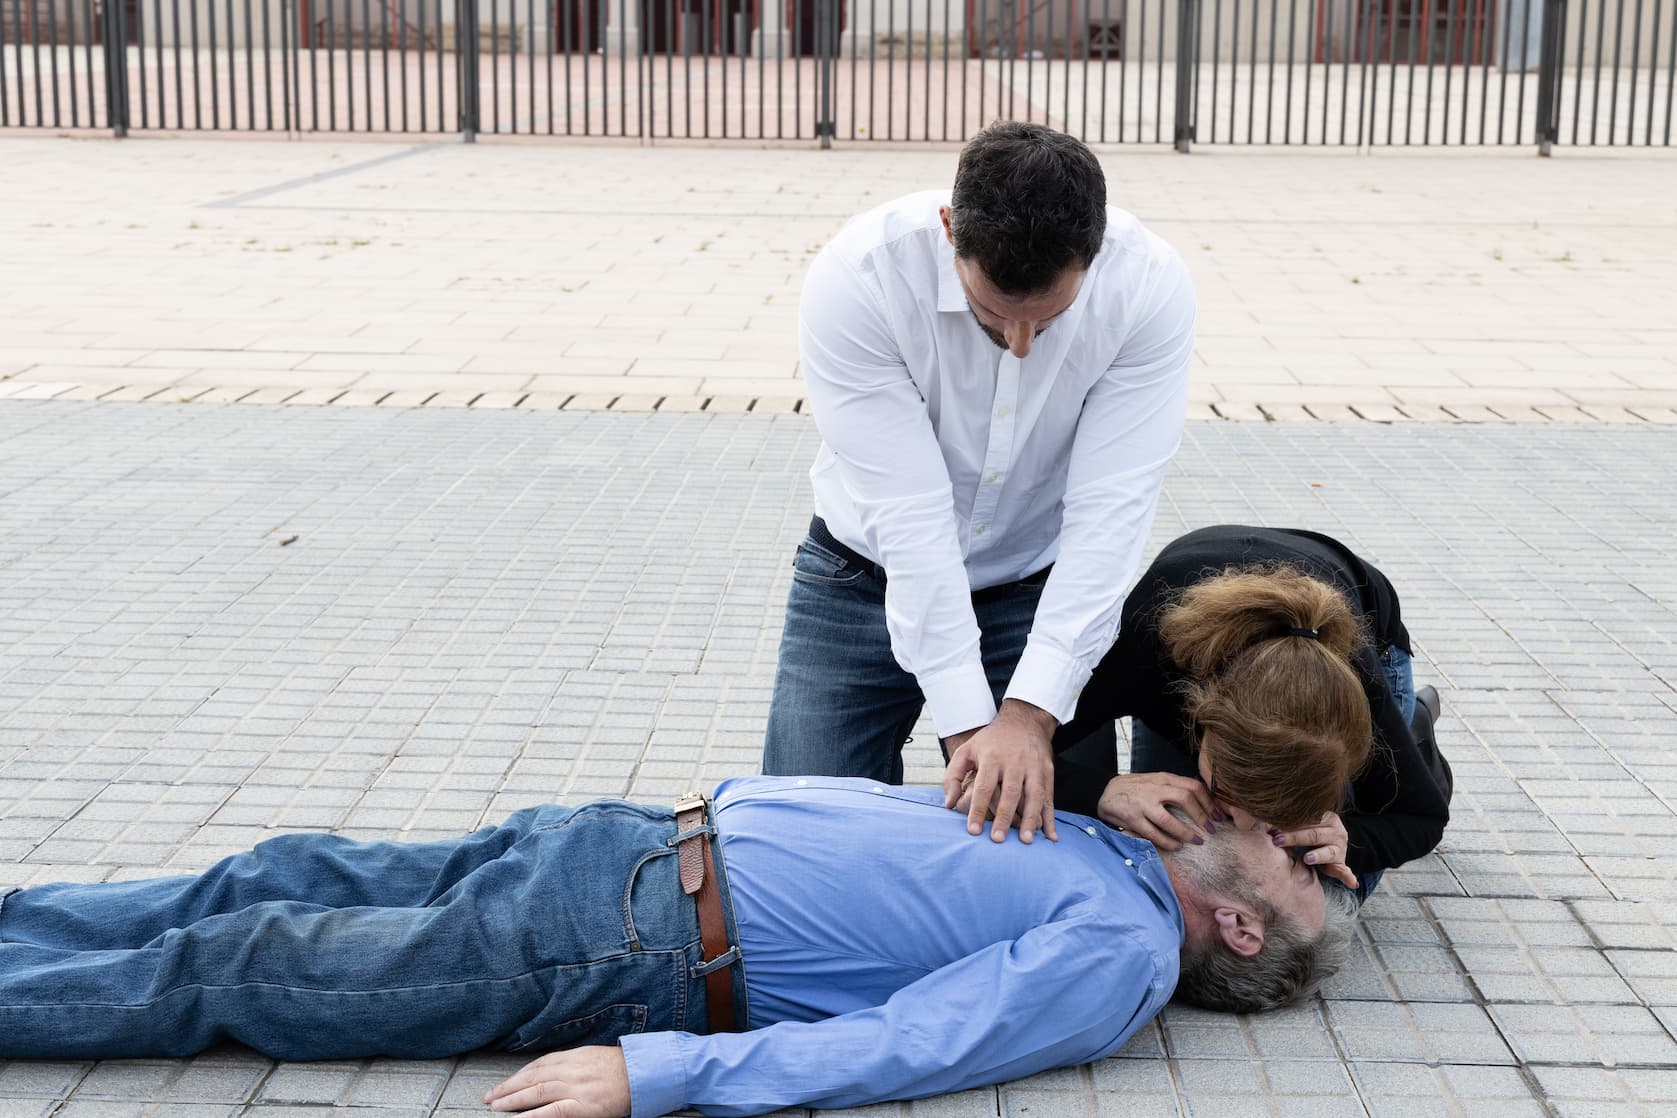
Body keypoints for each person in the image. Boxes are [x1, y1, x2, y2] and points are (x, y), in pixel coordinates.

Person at [0, 776, 1351, 1117]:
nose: (1289, 841)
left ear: (1236, 925)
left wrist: (655, 1076)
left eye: (1293, 871)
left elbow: (911, 1045)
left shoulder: (1115, 956)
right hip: (625, 840)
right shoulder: (1122, 842)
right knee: (268, 875)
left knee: (243, 961)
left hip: (628, 943)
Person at [764, 120, 1197, 847]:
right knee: (793, 845)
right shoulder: (860, 275)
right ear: (947, 230)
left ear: (1094, 253)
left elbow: (1108, 517)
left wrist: (1027, 717)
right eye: (993, 314)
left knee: (1067, 847)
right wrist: (971, 729)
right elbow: (911, 521)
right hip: (857, 580)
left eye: (1049, 320)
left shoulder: (1147, 285)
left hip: (1031, 591)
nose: (1022, 344)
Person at [1044, 525, 1454, 905]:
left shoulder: (1350, 687)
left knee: (1321, 891)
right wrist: (1105, 791)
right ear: (1201, 721)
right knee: (1174, 837)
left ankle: (1409, 739)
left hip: (1371, 631)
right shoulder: (1138, 655)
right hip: (1183, 646)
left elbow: (1422, 821)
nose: (1242, 823)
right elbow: (998, 760)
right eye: (1230, 794)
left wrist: (1352, 837)